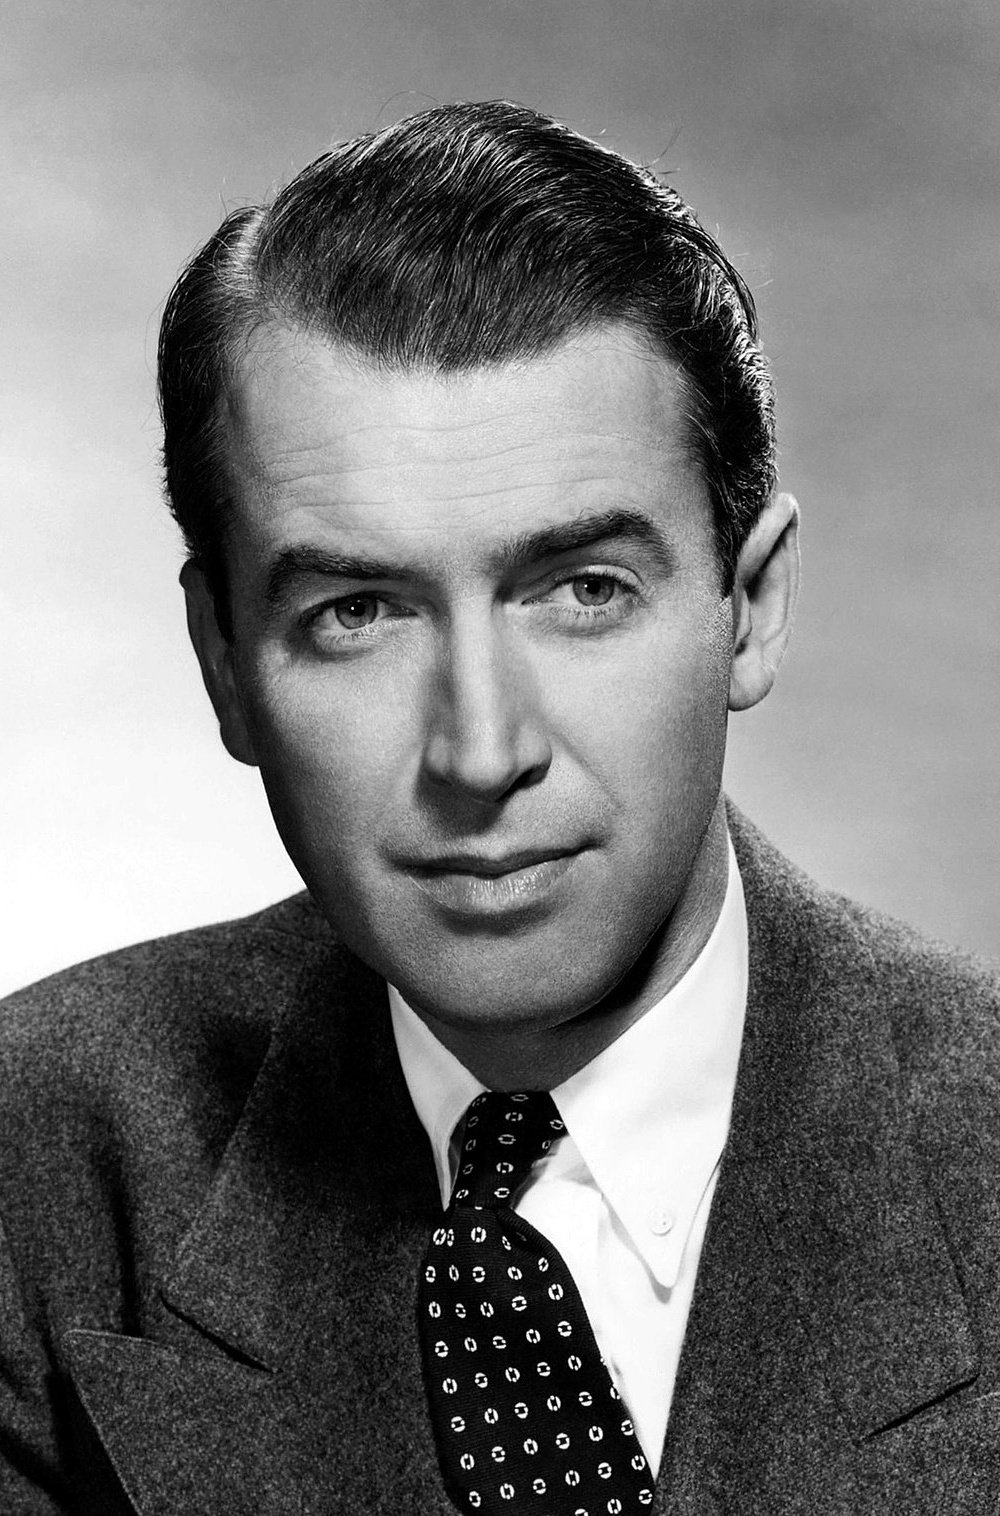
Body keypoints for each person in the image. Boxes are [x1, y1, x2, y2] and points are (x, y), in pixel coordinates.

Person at [1, 100, 997, 1516]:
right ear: (224, 664)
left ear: (751, 604)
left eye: (583, 591)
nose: (480, 750)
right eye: (358, 611)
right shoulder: (35, 1169)